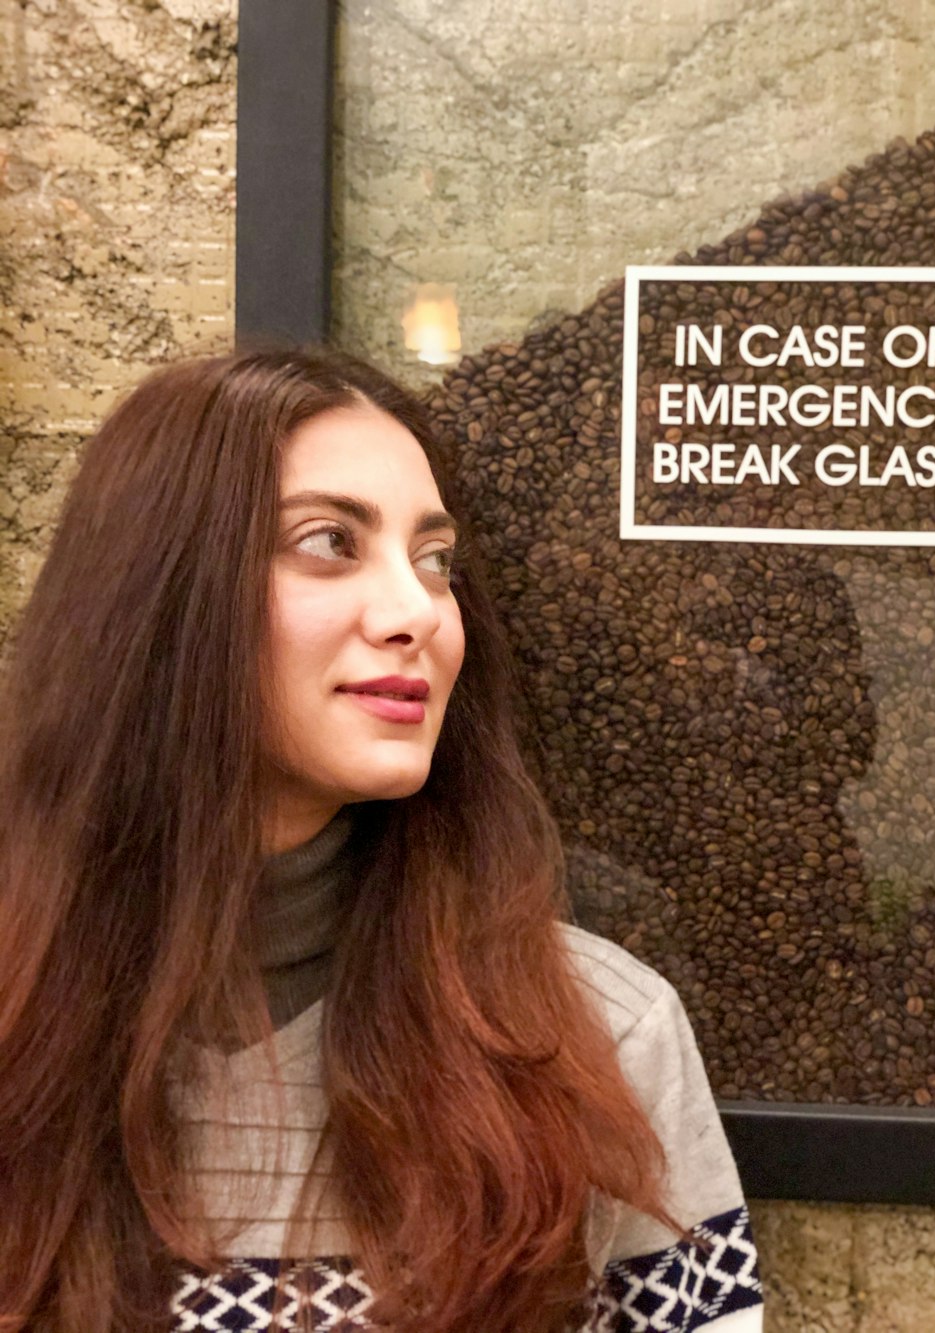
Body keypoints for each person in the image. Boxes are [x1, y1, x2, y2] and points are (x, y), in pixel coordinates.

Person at [0, 348, 763, 1333]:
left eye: (435, 560)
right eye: (329, 541)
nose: (417, 612)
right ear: (161, 591)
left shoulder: (587, 1037)